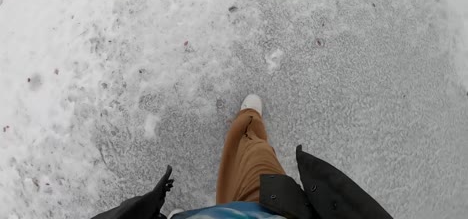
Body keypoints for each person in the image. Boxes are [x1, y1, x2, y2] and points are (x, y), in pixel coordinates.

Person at [92, 94, 393, 219]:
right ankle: (248, 124)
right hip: (272, 211)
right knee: (256, 159)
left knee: (250, 161)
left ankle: (248, 124)